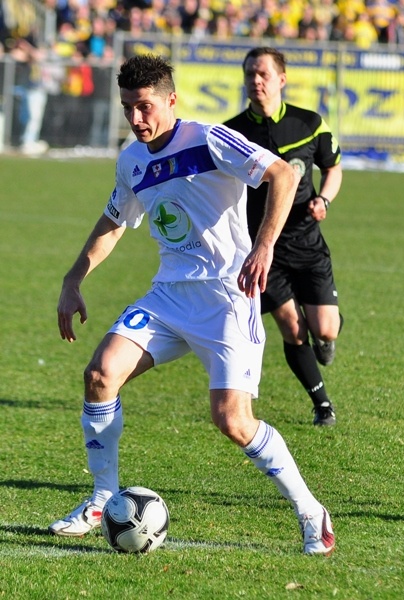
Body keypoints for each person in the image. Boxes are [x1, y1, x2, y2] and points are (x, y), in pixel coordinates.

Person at [48, 54, 335, 555]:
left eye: (145, 107)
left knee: (233, 422)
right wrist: (74, 278)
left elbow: (283, 177)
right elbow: (115, 220)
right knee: (99, 375)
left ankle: (311, 511)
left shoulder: (208, 139)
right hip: (168, 295)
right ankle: (101, 498)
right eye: (127, 109)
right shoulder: (132, 160)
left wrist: (264, 245)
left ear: (171, 100)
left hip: (227, 296)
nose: (136, 119)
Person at [224, 47, 343, 427]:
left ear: (281, 79)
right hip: (263, 248)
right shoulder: (231, 133)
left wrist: (324, 198)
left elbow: (333, 167)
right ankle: (322, 404)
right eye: (249, 75)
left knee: (324, 328)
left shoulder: (309, 123)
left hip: (307, 243)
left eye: (262, 74)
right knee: (292, 327)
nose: (255, 81)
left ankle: (327, 336)